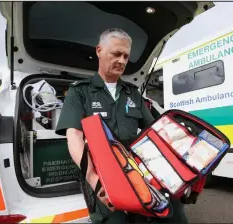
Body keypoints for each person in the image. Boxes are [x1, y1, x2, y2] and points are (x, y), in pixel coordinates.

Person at [55, 28, 189, 224]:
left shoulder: (132, 93)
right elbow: (74, 136)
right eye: (116, 54)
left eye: (126, 56)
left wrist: (180, 163)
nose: (122, 61)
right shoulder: (80, 92)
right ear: (99, 51)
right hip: (102, 173)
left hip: (135, 168)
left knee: (173, 213)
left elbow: (154, 132)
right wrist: (95, 181)